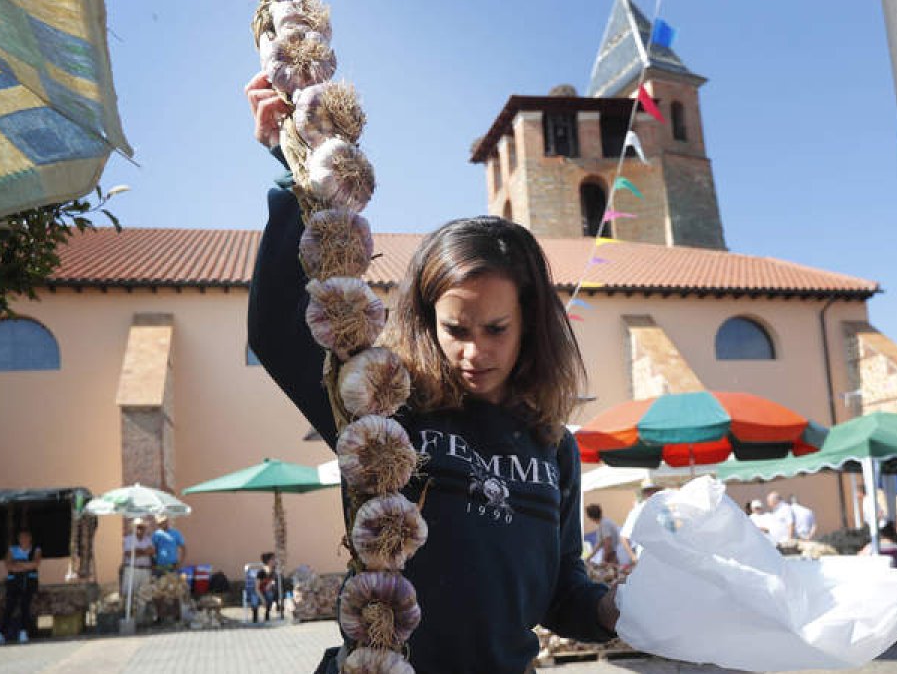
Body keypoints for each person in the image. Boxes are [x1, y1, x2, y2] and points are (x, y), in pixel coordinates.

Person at [246, 71, 619, 673]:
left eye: (495, 329)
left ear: (530, 326)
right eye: (456, 331)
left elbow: (560, 593)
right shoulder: (383, 406)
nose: (474, 352)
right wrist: (292, 172)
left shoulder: (555, 448)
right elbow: (274, 332)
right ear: (427, 322)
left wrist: (616, 612)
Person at [0, 528, 41, 645]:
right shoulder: (12, 550)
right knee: (9, 607)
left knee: (25, 606)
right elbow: (9, 566)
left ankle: (23, 632)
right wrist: (25, 566)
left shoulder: (36, 550)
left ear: (30, 539)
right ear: (18, 539)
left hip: (29, 582)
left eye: (26, 537)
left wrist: (18, 565)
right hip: (13, 583)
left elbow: (35, 563)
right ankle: (0, 634)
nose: (24, 540)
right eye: (21, 538)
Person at [123, 519, 155, 600]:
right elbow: (128, 554)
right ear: (134, 528)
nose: (140, 529)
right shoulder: (128, 539)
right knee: (130, 594)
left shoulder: (148, 539)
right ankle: (130, 612)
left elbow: (152, 551)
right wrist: (144, 551)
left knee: (145, 594)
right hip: (132, 569)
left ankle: (141, 612)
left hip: (145, 570)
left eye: (142, 527)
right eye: (138, 527)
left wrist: (138, 551)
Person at [255, 552, 282, 622]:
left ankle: (269, 613)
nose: (275, 561)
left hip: (268, 592)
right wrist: (262, 599)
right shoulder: (261, 573)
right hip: (259, 593)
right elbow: (257, 588)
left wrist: (272, 583)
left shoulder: (274, 572)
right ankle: (258, 616)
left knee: (272, 593)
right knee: (269, 595)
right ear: (268, 561)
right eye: (273, 559)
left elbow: (271, 585)